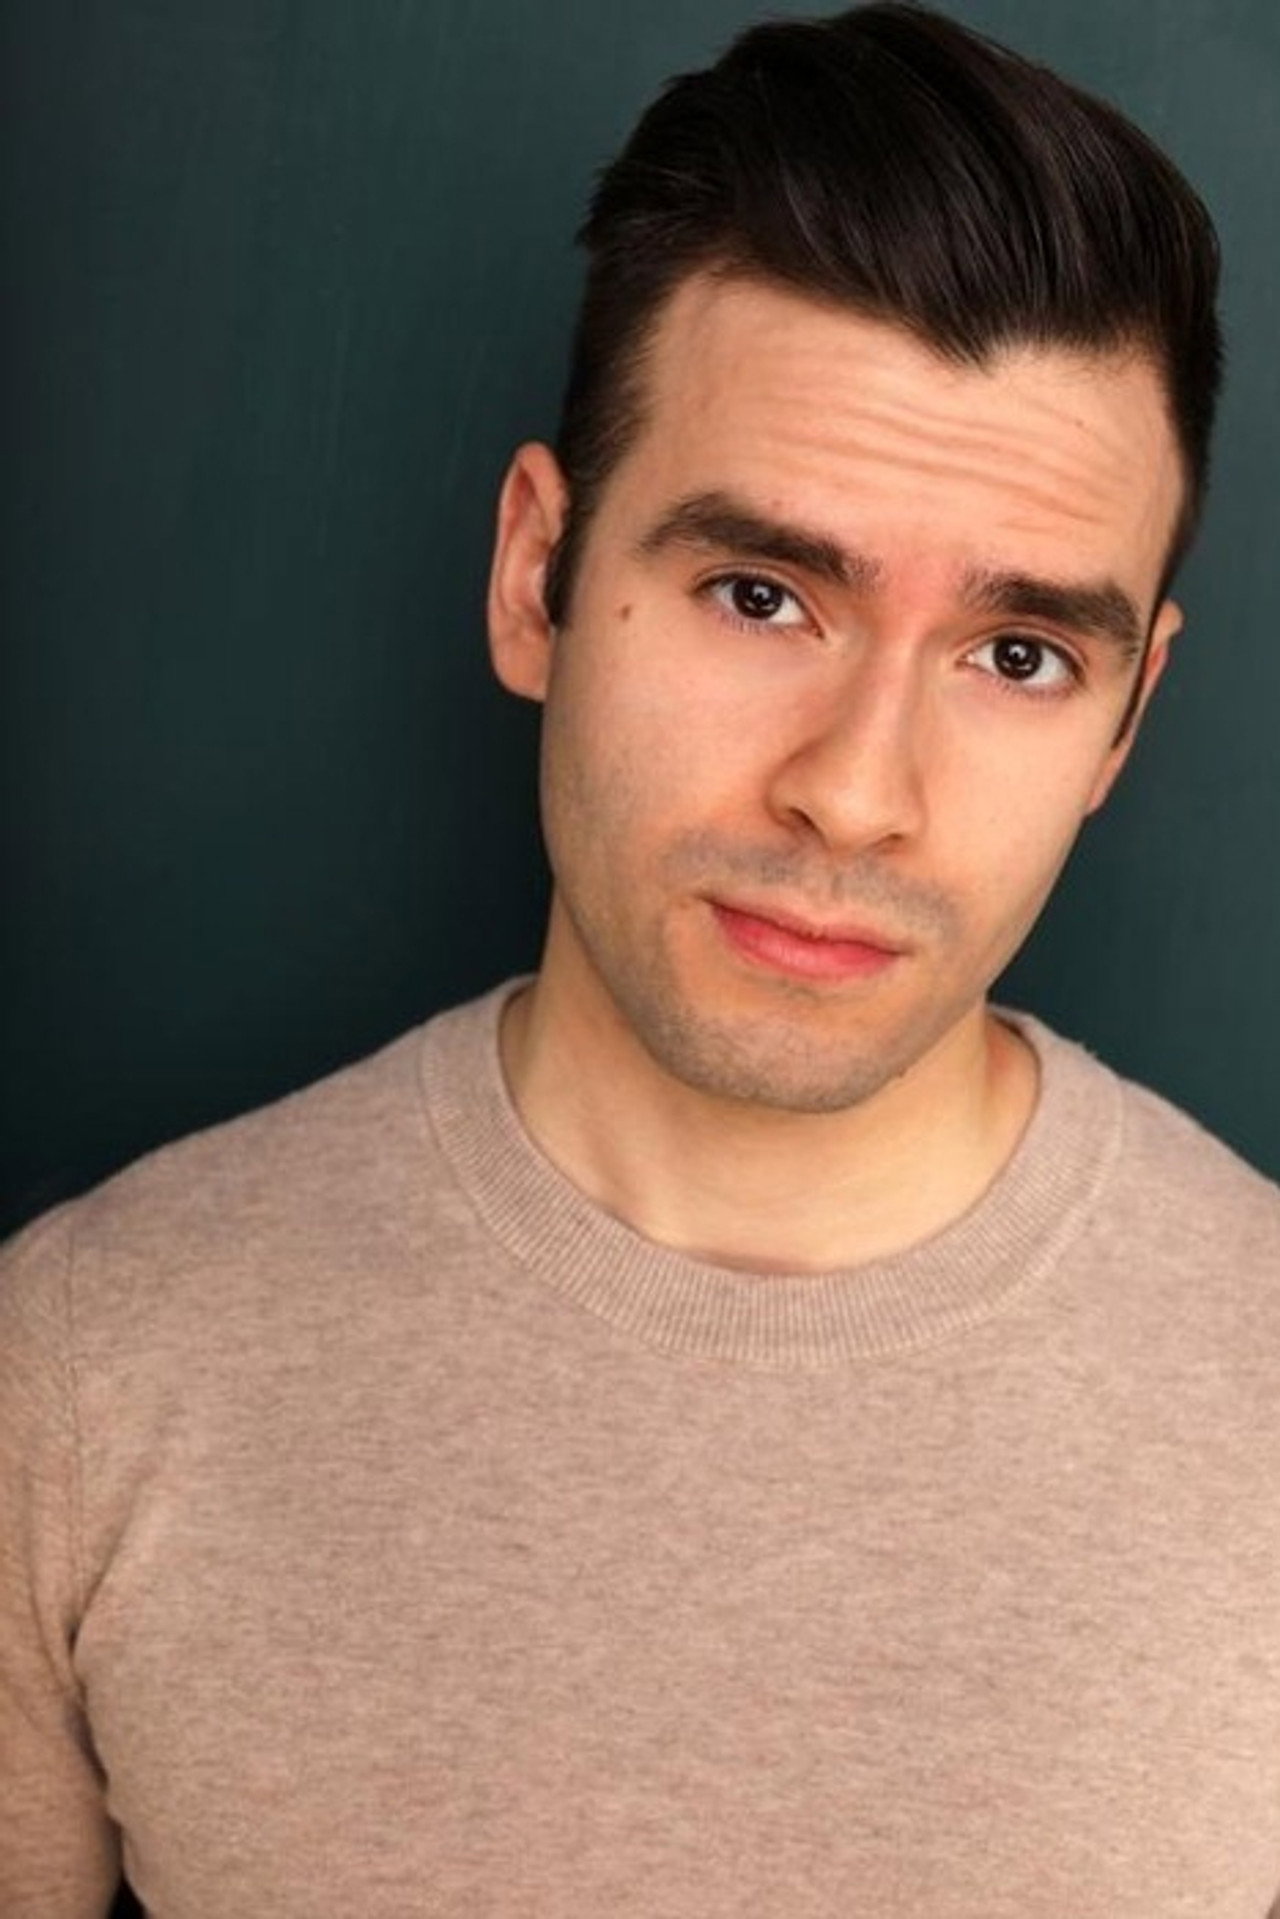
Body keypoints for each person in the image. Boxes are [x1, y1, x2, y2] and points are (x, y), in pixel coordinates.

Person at [4, 4, 1279, 1913]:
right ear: (538, 576)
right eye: (761, 594)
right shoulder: (83, 1371)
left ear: (1127, 720)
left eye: (1019, 655)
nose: (857, 793)